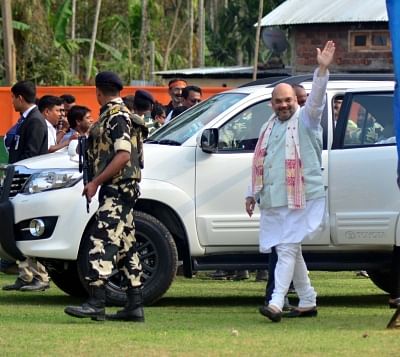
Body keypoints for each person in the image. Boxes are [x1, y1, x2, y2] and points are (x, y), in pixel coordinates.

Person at [246, 40, 336, 323]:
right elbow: (262, 162)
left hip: (301, 198)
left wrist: (321, 70)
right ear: (272, 104)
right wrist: (251, 193)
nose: (284, 105)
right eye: (279, 101)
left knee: (286, 248)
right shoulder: (268, 126)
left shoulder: (307, 120)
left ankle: (275, 303)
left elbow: (318, 100)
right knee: (290, 248)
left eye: (288, 100)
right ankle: (307, 299)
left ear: (297, 101)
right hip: (273, 200)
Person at [64, 71, 147, 322]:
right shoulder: (117, 115)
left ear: (98, 91)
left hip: (118, 187)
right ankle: (135, 305)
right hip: (122, 188)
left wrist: (95, 182)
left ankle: (96, 302)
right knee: (125, 246)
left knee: (100, 240)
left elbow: (122, 155)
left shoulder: (116, 117)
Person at [2, 80, 50, 292]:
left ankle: (40, 276)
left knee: (28, 229)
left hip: (27, 185)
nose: (11, 102)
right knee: (15, 230)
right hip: (18, 183)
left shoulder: (35, 121)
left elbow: (32, 156)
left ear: (20, 97)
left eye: (12, 98)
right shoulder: (26, 120)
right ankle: (26, 275)